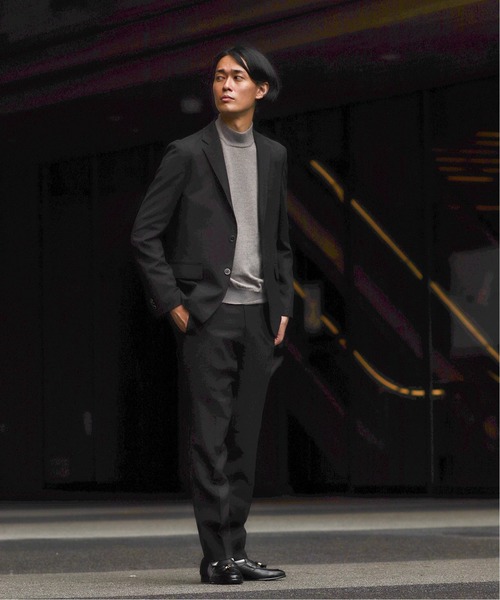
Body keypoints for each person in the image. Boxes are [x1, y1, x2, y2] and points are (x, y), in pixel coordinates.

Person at [131, 45, 293, 585]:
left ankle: (237, 550)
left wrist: (284, 305)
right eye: (219, 76)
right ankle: (216, 555)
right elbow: (145, 234)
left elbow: (280, 241)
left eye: (238, 77)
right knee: (210, 439)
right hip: (207, 317)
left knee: (245, 439)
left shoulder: (274, 155)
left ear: (260, 89)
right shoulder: (186, 152)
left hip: (260, 319)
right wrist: (174, 306)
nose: (225, 85)